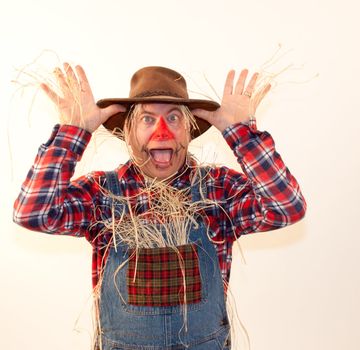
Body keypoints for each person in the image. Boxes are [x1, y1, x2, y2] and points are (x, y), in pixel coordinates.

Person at [13, 63, 306, 350]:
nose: (162, 132)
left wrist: (241, 133)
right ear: (127, 132)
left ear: (190, 131)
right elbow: (33, 213)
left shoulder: (218, 190)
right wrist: (72, 133)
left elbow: (286, 207)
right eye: (147, 119)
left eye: (175, 118)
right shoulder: (103, 195)